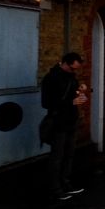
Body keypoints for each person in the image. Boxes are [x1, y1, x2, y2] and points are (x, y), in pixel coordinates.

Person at [40, 52, 88, 201]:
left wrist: (81, 94)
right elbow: (46, 103)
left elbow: (73, 95)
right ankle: (55, 189)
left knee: (69, 154)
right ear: (65, 63)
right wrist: (71, 102)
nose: (75, 71)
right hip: (58, 123)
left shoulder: (71, 77)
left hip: (71, 121)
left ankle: (66, 183)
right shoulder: (51, 78)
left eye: (76, 69)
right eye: (73, 68)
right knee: (57, 156)